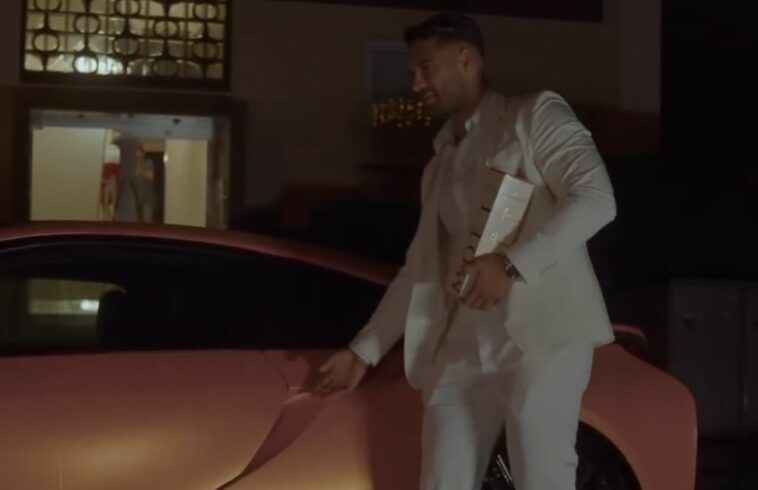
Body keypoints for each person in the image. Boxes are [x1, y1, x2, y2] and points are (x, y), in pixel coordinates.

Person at [314, 12, 617, 490]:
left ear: (466, 60)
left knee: (541, 478)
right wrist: (363, 351)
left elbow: (596, 199)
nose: (416, 83)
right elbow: (419, 270)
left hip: (541, 338)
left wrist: (512, 266)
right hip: (460, 344)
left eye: (426, 67)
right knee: (441, 480)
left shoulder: (533, 115)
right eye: (412, 71)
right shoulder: (440, 164)